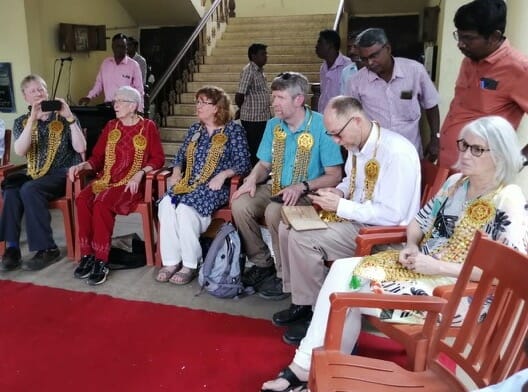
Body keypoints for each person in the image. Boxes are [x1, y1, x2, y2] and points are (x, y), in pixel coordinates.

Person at [261, 115, 528, 392]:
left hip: (459, 295)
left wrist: (439, 268)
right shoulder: (457, 184)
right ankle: (314, 366)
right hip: (420, 273)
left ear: (500, 153)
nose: (466, 154)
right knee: (343, 271)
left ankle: (306, 368)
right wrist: (412, 245)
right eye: (464, 145)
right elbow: (418, 223)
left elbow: (507, 274)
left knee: (344, 294)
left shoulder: (507, 199)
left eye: (477, 149)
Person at [273, 95, 421, 345]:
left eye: (337, 134)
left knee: (302, 238)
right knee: (287, 227)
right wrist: (339, 192)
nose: (335, 141)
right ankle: (303, 302)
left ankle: (320, 315)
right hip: (358, 222)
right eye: (331, 135)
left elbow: (392, 215)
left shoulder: (396, 153)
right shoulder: (357, 145)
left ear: (356, 121)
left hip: (382, 235)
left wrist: (341, 205)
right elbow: (352, 182)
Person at [231, 72, 343, 299]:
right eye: (274, 97)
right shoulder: (274, 125)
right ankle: (263, 264)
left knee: (274, 211)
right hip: (276, 187)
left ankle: (284, 276)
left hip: (309, 193)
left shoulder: (321, 125)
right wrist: (252, 178)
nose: (274, 103)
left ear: (299, 100)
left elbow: (334, 175)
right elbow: (264, 164)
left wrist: (301, 186)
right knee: (239, 203)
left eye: (280, 98)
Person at [69, 86, 164, 285]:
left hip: (131, 184)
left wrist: (141, 173)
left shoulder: (148, 127)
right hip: (107, 179)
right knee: (83, 198)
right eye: (115, 101)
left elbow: (158, 159)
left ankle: (101, 260)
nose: (115, 105)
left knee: (101, 203)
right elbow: (97, 158)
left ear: (133, 105)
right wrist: (83, 165)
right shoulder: (111, 126)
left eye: (120, 101)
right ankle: (88, 255)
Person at [156, 86, 251, 285]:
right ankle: (172, 261)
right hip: (188, 183)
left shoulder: (234, 130)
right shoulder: (195, 129)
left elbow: (243, 163)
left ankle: (191, 263)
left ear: (217, 108)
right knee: (166, 204)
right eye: (197, 102)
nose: (198, 106)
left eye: (203, 102)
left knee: (184, 209)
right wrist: (175, 171)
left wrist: (224, 175)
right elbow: (180, 156)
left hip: (214, 187)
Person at [0, 74, 86, 271]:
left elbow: (81, 149)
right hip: (35, 173)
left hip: (63, 173)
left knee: (29, 189)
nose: (39, 93)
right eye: (33, 91)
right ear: (25, 97)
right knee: (13, 189)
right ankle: (12, 248)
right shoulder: (22, 121)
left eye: (41, 89)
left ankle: (48, 248)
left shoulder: (64, 118)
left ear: (47, 92)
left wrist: (70, 116)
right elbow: (20, 151)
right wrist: (32, 120)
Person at [439, 0, 528, 168]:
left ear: (494, 36)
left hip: (482, 175)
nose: (460, 44)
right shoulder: (469, 60)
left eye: (469, 38)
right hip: (449, 168)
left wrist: (517, 161)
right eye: (459, 35)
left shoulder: (519, 68)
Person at [345, 28, 440, 160]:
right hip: (375, 156)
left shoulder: (415, 71)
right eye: (364, 59)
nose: (370, 63)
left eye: (374, 56)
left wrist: (435, 137)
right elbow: (352, 117)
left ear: (388, 48)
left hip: (410, 153)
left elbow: (431, 105)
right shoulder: (356, 82)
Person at [79, 33, 144, 112]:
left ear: (126, 48)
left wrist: (140, 110)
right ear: (113, 47)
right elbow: (99, 84)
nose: (120, 49)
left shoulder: (133, 65)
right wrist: (89, 97)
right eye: (117, 46)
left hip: (126, 109)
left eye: (123, 47)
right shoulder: (106, 63)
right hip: (108, 108)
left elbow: (139, 90)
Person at [235, 43, 271, 165]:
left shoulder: (260, 71)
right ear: (253, 56)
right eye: (262, 54)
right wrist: (242, 109)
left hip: (262, 117)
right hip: (252, 119)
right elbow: (240, 94)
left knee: (262, 146)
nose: (265, 56)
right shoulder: (249, 71)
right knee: (254, 147)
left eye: (266, 54)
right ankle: (252, 173)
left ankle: (260, 171)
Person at [316, 29, 352, 113]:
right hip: (324, 117)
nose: (316, 46)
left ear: (330, 45)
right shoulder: (323, 67)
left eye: (320, 42)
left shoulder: (348, 67)